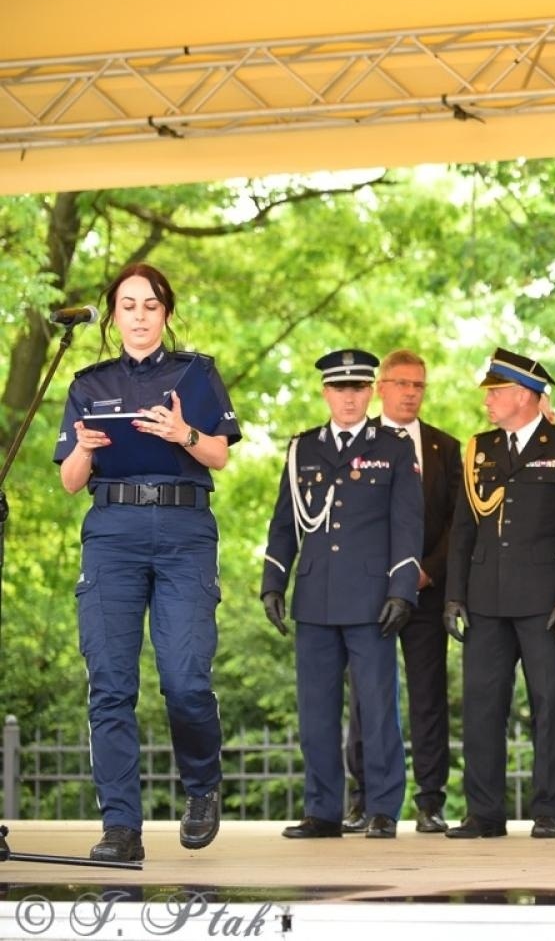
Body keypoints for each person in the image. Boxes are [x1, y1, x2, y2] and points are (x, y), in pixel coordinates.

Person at [55, 263, 240, 863]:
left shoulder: (197, 373)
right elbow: (68, 481)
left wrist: (184, 432)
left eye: (150, 305)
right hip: (111, 532)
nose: (139, 315)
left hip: (185, 531)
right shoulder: (87, 381)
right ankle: (120, 826)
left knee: (186, 678)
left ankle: (203, 786)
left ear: (166, 312)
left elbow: (220, 456)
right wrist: (83, 448)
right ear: (113, 315)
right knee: (109, 684)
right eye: (128, 305)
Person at [262, 349, 422, 840]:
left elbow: (407, 524)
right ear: (326, 393)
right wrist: (273, 580)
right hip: (315, 597)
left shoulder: (394, 446)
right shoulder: (302, 449)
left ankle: (382, 808)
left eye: (357, 388)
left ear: (370, 392)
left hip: (372, 597)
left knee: (377, 710)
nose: (349, 398)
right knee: (315, 713)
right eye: (339, 389)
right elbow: (286, 522)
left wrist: (402, 590)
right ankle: (323, 811)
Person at [444, 349, 555, 839]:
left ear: (525, 396)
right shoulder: (478, 449)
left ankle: (548, 809)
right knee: (483, 706)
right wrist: (454, 595)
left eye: (497, 392)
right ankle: (483, 813)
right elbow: (463, 529)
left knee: (552, 704)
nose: (488, 401)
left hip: (545, 599)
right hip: (486, 598)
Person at [342, 349, 461, 834]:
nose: (411, 393)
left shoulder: (445, 447)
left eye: (419, 386)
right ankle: (363, 798)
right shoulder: (352, 441)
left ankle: (430, 801)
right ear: (381, 387)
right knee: (367, 697)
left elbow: (459, 523)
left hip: (425, 591)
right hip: (368, 593)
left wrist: (426, 572)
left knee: (428, 697)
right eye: (403, 384)